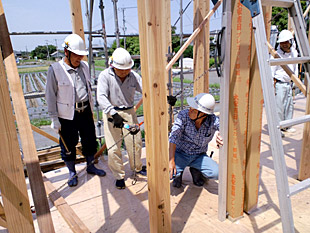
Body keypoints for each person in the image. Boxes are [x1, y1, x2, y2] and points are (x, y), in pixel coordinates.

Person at [46, 34, 106, 187]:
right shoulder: (55, 70)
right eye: (76, 55)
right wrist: (54, 119)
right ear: (66, 52)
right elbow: (50, 96)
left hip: (84, 111)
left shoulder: (84, 67)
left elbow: (87, 88)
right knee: (68, 144)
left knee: (90, 139)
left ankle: (90, 165)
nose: (79, 58)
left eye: (81, 55)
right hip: (67, 115)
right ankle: (72, 172)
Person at [97, 47, 146, 189]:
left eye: (127, 69)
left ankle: (137, 168)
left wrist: (165, 97)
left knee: (135, 143)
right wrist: (113, 113)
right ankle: (119, 176)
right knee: (113, 148)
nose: (125, 72)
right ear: (112, 66)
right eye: (121, 69)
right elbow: (101, 96)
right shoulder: (105, 76)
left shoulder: (134, 76)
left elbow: (147, 89)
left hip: (129, 112)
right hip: (112, 113)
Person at [169, 93, 223, 188]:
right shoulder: (183, 116)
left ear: (203, 114)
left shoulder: (213, 120)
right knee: (169, 173)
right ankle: (178, 174)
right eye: (190, 108)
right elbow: (174, 137)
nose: (190, 111)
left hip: (199, 156)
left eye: (193, 110)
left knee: (218, 173)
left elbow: (226, 129)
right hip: (181, 153)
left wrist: (222, 134)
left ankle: (195, 169)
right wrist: (171, 160)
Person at [272, 29, 298, 134]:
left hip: (289, 83)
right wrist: (271, 85)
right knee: (279, 107)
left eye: (286, 42)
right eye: (282, 42)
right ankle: (279, 128)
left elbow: (295, 67)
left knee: (289, 105)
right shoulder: (276, 54)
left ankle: (287, 125)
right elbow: (271, 71)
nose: (284, 44)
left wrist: (295, 82)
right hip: (279, 83)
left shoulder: (294, 53)